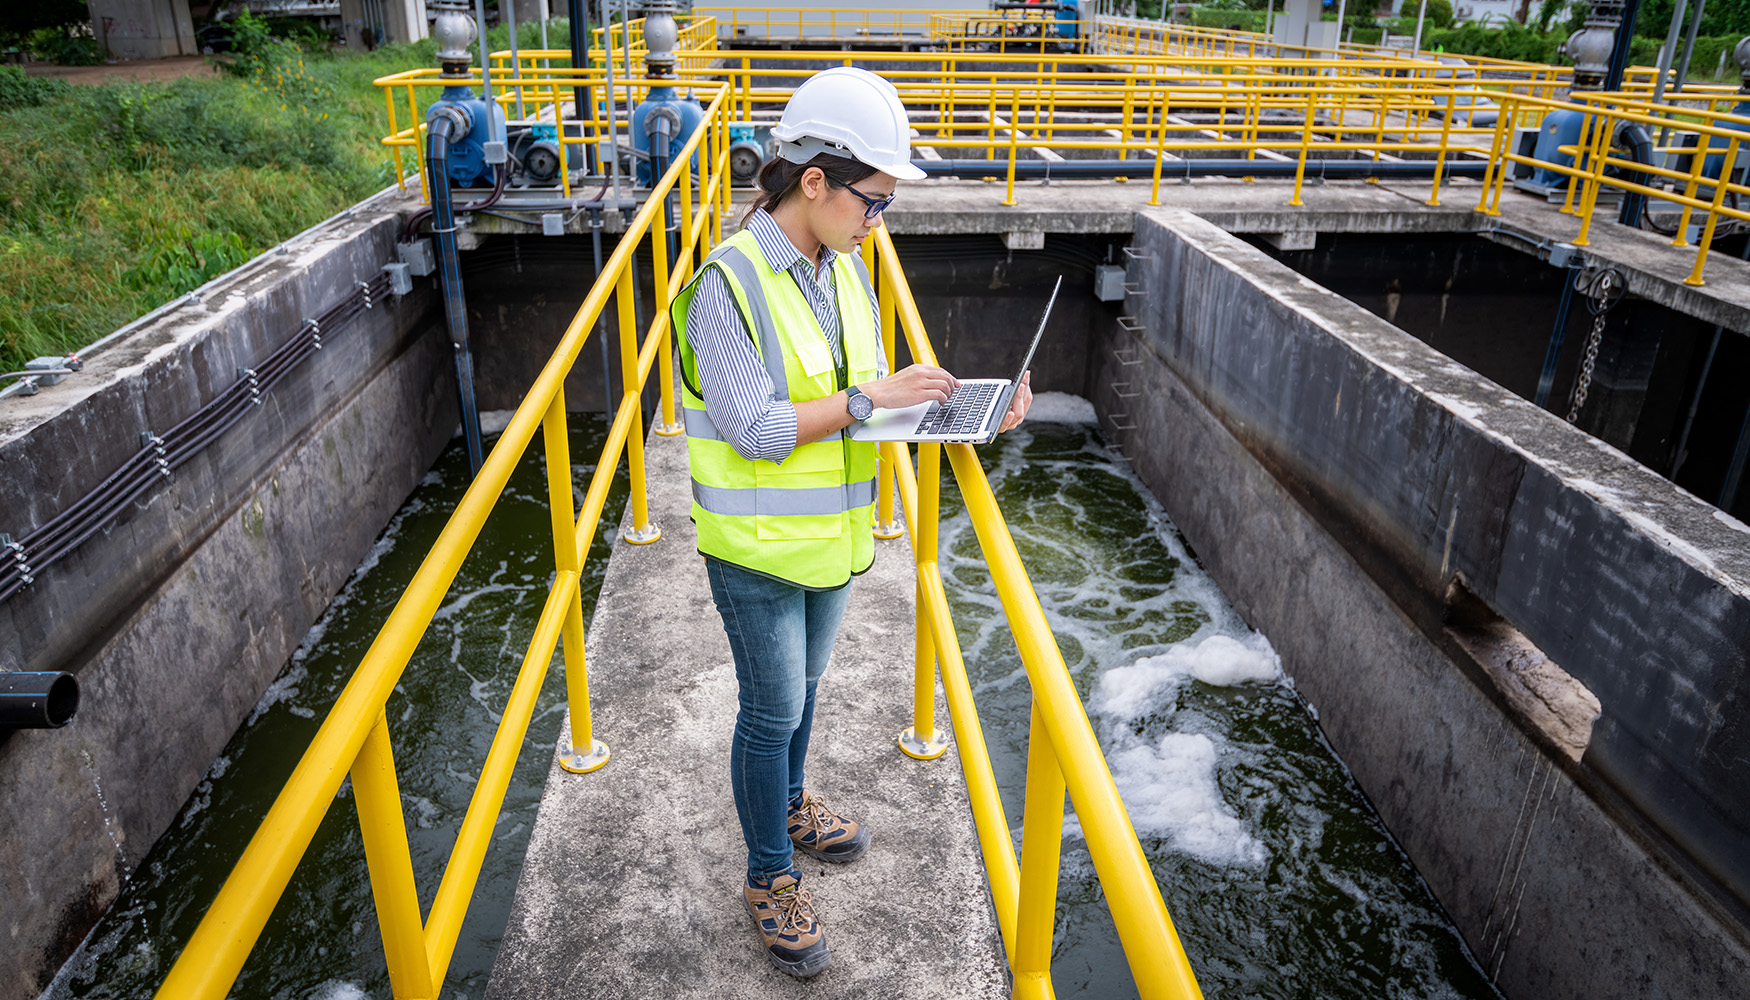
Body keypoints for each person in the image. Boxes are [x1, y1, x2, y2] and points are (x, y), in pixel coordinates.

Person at [670, 66, 1033, 978]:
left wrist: (969, 410)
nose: (882, 223)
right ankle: (768, 876)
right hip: (753, 547)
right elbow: (757, 430)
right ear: (816, 182)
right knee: (772, 708)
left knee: (808, 688)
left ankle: (790, 802)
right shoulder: (729, 282)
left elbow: (867, 402)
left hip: (830, 539)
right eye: (874, 201)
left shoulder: (845, 272)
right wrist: (873, 398)